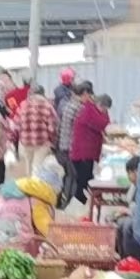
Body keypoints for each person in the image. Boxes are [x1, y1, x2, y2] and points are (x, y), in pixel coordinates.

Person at [55, 80, 94, 208]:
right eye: (89, 95)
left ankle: (63, 201)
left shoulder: (69, 104)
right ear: (84, 94)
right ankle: (69, 203)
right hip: (72, 147)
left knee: (68, 176)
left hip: (64, 146)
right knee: (74, 177)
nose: (89, 98)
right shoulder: (79, 108)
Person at [13, 84, 58, 183]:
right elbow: (52, 126)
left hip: (25, 141)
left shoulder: (23, 104)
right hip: (42, 142)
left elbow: (16, 124)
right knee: (37, 167)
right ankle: (36, 190)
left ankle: (29, 187)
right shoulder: (47, 105)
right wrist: (52, 140)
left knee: (28, 166)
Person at [70, 93, 113, 198]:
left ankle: (83, 201)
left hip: (87, 150)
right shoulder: (90, 111)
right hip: (83, 152)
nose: (105, 111)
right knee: (83, 179)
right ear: (100, 104)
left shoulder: (93, 110)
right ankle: (80, 202)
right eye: (105, 108)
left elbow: (105, 123)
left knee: (87, 177)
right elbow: (103, 124)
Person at [114, 154, 140, 263]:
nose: (130, 176)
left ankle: (136, 261)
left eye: (130, 173)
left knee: (128, 226)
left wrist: (129, 212)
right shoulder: (135, 186)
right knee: (119, 223)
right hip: (138, 215)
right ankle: (123, 259)